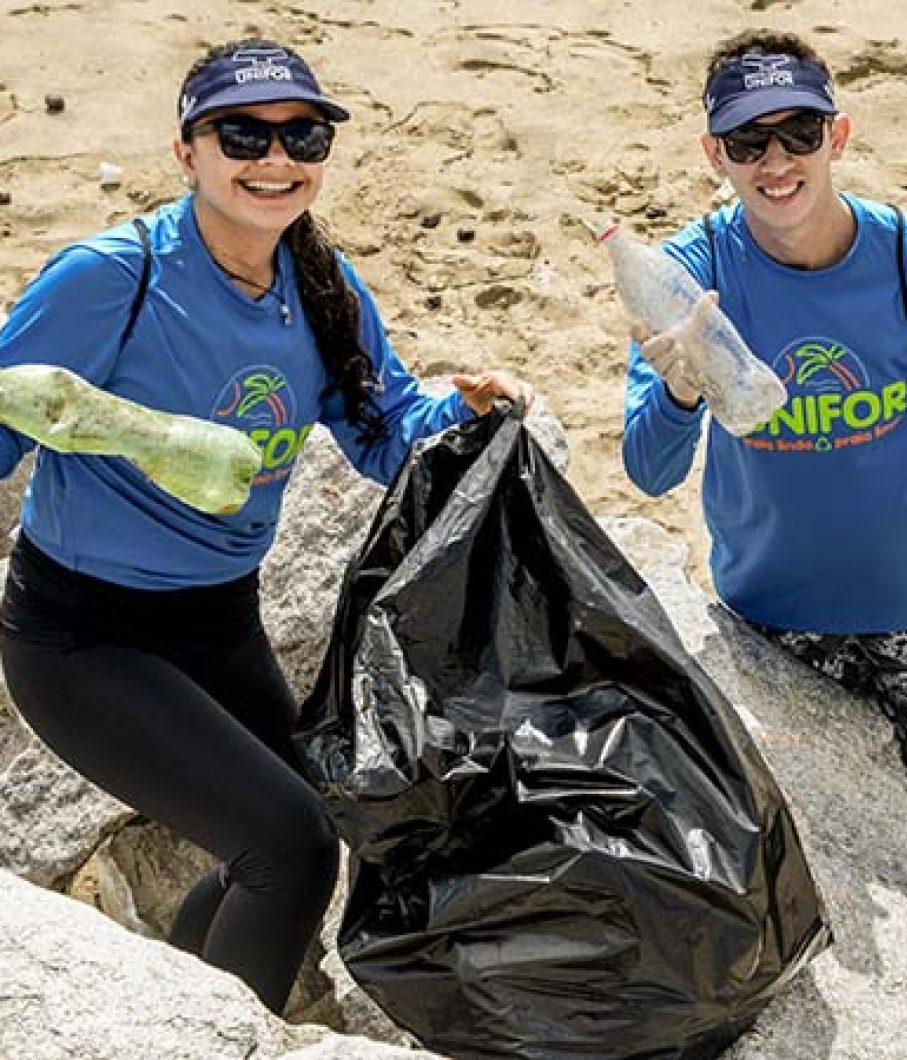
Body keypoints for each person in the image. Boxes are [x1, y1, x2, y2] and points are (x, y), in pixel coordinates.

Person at [0, 39, 530, 1012]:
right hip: (81, 639)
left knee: (310, 826)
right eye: (242, 133)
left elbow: (386, 436)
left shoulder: (320, 289)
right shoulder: (110, 280)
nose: (275, 158)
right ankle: (217, 1029)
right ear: (186, 152)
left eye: (302, 135)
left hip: (217, 620)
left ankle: (179, 1001)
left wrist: (462, 411)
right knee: (283, 842)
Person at [621, 29, 907, 896]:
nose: (776, 161)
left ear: (838, 135)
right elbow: (647, 470)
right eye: (749, 141)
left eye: (798, 131)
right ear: (713, 153)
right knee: (814, 841)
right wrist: (681, 391)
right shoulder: (687, 274)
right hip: (769, 622)